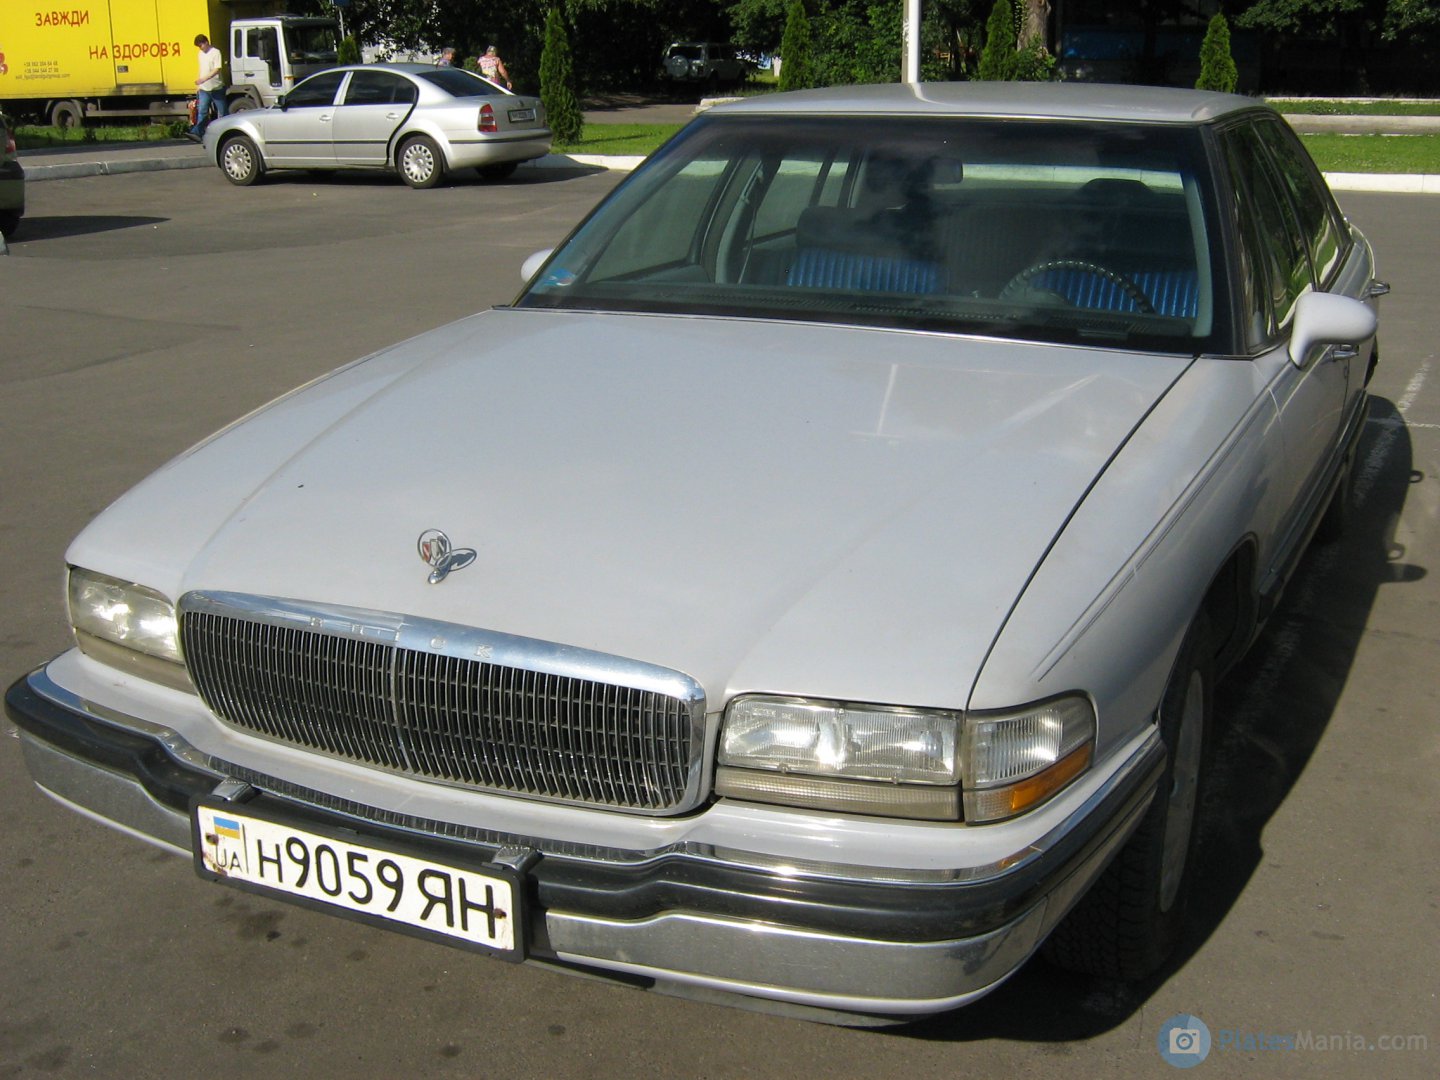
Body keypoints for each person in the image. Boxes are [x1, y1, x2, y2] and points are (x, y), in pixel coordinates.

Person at [185, 34, 226, 142]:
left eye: (201, 45)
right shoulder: (200, 54)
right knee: (202, 111)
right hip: (204, 89)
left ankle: (223, 133)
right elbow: (201, 69)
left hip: (216, 88)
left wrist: (204, 79)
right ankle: (197, 133)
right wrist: (199, 84)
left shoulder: (215, 52)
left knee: (222, 112)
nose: (200, 48)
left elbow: (217, 69)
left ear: (206, 42)